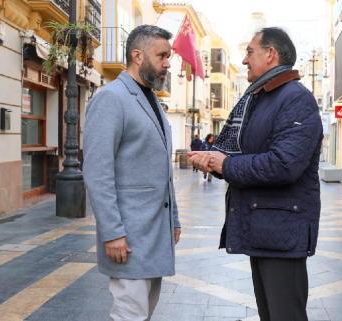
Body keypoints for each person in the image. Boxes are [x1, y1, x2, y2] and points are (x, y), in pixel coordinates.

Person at [188, 27, 323, 321]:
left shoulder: (295, 99)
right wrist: (214, 162)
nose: (245, 60)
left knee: (285, 316)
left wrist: (224, 165)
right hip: (264, 228)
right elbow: (244, 154)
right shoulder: (261, 98)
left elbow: (283, 164)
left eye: (250, 52)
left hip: (281, 231)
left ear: (270, 54)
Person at [83, 24, 182, 321]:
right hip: (128, 236)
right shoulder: (111, 98)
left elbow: (161, 168)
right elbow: (97, 171)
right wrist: (112, 232)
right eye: (161, 55)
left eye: (168, 56)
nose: (167, 63)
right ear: (138, 56)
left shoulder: (152, 99)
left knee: (144, 313)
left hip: (155, 233)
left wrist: (174, 218)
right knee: (130, 315)